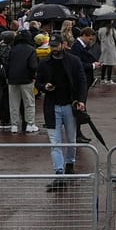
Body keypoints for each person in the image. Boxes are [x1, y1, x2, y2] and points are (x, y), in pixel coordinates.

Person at [36, 37, 87, 191]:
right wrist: (45, 86)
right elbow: (38, 82)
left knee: (71, 139)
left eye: (56, 45)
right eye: (52, 46)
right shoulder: (44, 62)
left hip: (70, 105)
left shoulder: (74, 61)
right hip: (52, 106)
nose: (54, 49)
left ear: (63, 45)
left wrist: (81, 100)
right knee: (55, 141)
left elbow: (81, 81)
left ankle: (70, 163)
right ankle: (59, 172)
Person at [2, 29, 39, 133]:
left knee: (13, 103)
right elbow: (33, 65)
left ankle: (14, 125)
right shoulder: (31, 49)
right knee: (29, 102)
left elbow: (7, 64)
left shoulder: (12, 49)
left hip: (12, 79)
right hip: (26, 79)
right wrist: (33, 76)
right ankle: (30, 124)